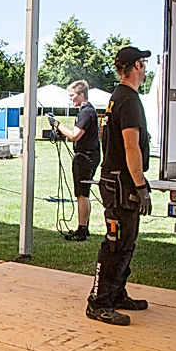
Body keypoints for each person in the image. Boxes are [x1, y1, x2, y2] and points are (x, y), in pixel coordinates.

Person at [86, 46, 154, 326]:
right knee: (116, 243)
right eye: (144, 64)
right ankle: (98, 303)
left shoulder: (120, 97)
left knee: (126, 241)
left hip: (117, 180)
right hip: (121, 183)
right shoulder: (128, 100)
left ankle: (116, 294)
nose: (146, 69)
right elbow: (131, 145)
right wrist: (140, 185)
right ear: (137, 65)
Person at [47, 79, 101, 241]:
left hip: (85, 157)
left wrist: (57, 125)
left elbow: (74, 135)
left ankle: (82, 229)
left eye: (72, 95)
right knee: (84, 193)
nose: (70, 99)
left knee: (81, 194)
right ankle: (84, 226)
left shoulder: (86, 112)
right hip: (89, 155)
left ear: (81, 94)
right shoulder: (88, 111)